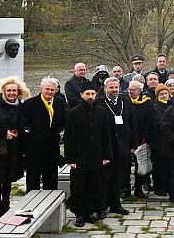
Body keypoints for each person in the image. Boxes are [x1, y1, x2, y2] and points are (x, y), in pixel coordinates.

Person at [0, 76, 30, 220]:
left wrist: (25, 129)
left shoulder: (22, 108)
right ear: (4, 92)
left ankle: (6, 206)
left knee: (8, 180)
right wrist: (3, 133)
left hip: (14, 150)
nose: (11, 93)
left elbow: (26, 123)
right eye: (9, 90)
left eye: (14, 90)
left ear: (18, 92)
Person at [64, 81, 112, 227]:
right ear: (81, 95)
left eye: (92, 94)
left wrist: (107, 155)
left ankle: (90, 212)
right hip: (79, 158)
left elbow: (106, 136)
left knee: (94, 186)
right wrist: (70, 159)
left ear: (96, 94)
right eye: (87, 94)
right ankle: (79, 214)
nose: (90, 96)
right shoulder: (73, 113)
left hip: (97, 156)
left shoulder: (102, 112)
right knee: (78, 187)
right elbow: (69, 138)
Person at [97, 77, 137, 217]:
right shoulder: (99, 102)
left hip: (123, 146)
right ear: (105, 88)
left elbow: (133, 123)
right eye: (111, 87)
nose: (114, 90)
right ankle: (101, 207)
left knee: (119, 178)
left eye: (116, 87)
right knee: (105, 178)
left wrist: (133, 144)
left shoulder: (126, 101)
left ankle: (115, 204)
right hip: (106, 148)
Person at [20, 77, 66, 191]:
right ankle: (31, 205)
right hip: (34, 148)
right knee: (33, 180)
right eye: (47, 89)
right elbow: (23, 123)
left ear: (56, 91)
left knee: (51, 180)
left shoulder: (60, 102)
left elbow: (64, 119)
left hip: (52, 147)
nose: (50, 92)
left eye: (52, 90)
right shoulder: (30, 104)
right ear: (41, 89)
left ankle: (51, 204)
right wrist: (28, 128)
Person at [124, 80, 153, 199]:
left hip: (141, 138)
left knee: (140, 164)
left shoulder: (147, 103)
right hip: (126, 137)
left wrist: (145, 136)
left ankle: (138, 188)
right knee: (125, 165)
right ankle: (125, 188)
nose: (130, 91)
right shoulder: (125, 101)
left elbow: (150, 121)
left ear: (140, 91)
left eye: (133, 90)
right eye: (129, 89)